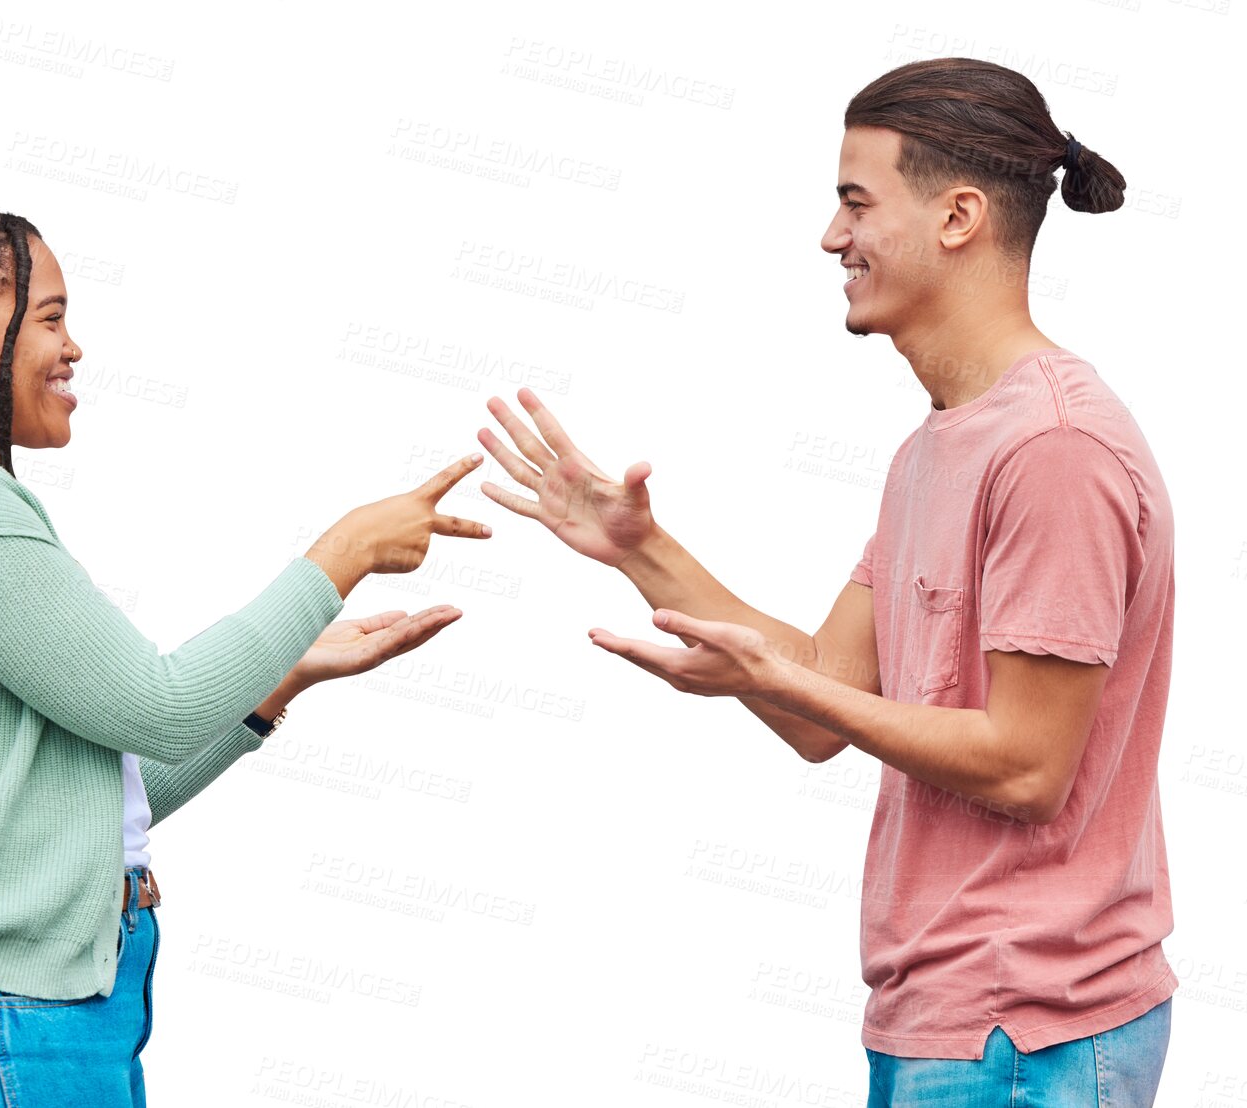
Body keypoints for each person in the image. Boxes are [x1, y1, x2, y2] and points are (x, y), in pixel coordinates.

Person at [476, 59, 1176, 1105]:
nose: (828, 237)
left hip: (1024, 1034)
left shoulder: (1053, 451)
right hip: (944, 1022)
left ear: (956, 217)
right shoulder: (935, 448)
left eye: (855, 202)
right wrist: (638, 549)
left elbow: (1028, 766)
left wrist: (800, 689)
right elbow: (820, 693)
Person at [0, 200, 493, 1105]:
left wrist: (278, 683)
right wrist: (342, 554)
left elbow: (78, 807)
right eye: (49, 317)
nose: (72, 346)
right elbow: (154, 706)